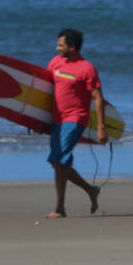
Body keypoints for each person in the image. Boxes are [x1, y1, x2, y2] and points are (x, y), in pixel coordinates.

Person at [45, 27, 107, 218]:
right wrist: (35, 119)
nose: (57, 49)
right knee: (59, 164)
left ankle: (60, 208)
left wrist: (101, 128)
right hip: (57, 119)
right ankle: (90, 190)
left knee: (58, 160)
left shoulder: (86, 68)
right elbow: (44, 91)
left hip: (75, 119)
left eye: (61, 45)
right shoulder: (55, 63)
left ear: (72, 47)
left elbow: (97, 97)